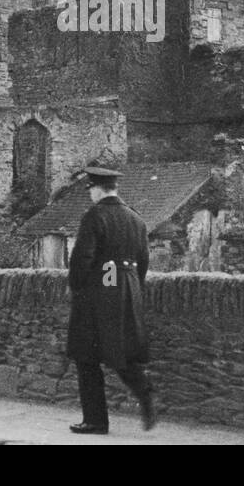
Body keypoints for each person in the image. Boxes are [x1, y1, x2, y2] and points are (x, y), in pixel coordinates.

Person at [65, 164, 156, 435]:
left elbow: (83, 258)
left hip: (97, 294)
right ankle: (146, 394)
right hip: (127, 291)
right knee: (123, 353)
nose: (90, 194)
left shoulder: (95, 215)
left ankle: (95, 420)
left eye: (90, 189)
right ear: (115, 189)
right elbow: (143, 262)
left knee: (86, 356)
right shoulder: (136, 218)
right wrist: (132, 289)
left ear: (95, 189)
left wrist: (76, 288)